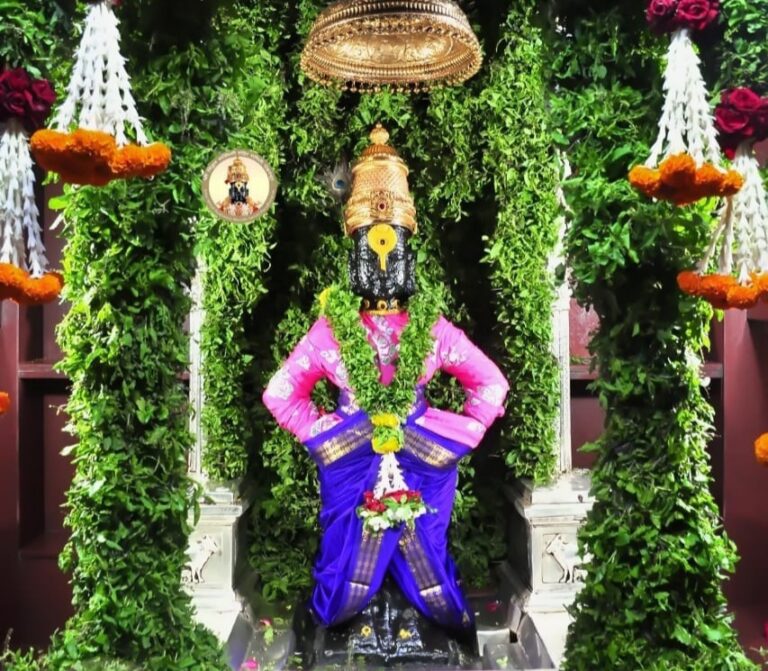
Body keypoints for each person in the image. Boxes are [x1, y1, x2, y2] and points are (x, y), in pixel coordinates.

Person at [263, 125, 508, 646]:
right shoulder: (331, 331)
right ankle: (348, 617)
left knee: (425, 545)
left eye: (392, 245)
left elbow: (491, 383)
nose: (381, 257)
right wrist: (331, 433)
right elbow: (279, 394)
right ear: (354, 254)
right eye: (371, 245)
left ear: (409, 255)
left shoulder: (432, 329)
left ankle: (422, 617)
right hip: (350, 461)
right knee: (345, 545)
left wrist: (455, 432)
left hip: (422, 458)